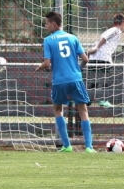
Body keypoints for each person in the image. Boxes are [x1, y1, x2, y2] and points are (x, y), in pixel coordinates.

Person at [35, 11, 94, 153]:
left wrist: (39, 67)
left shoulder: (48, 40)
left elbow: (47, 64)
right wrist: (77, 70)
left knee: (57, 109)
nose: (46, 26)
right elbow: (85, 59)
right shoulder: (73, 38)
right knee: (83, 111)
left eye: (47, 23)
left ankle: (67, 146)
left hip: (59, 81)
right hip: (75, 79)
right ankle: (89, 147)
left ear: (54, 24)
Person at [86, 13, 124, 108]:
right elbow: (104, 38)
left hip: (95, 57)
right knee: (106, 79)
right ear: (123, 22)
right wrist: (96, 48)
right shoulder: (116, 30)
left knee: (94, 80)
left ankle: (87, 100)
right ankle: (103, 101)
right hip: (102, 57)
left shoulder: (112, 30)